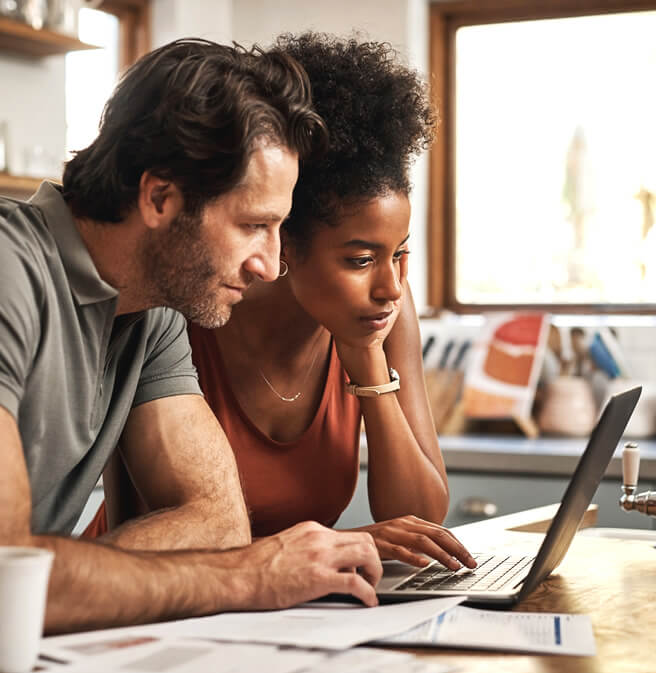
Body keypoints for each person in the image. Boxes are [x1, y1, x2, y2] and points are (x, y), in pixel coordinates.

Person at [0, 38, 384, 659]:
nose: (270, 265)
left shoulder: (150, 311)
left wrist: (44, 588)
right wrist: (252, 575)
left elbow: (218, 524)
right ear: (160, 198)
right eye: (252, 225)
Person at [102, 33, 476, 573]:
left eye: (400, 254)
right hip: (157, 597)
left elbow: (422, 520)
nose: (391, 287)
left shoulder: (383, 312)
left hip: (291, 606)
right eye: (359, 259)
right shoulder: (188, 308)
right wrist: (342, 544)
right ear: (284, 241)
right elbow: (143, 529)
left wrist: (367, 359)